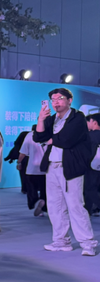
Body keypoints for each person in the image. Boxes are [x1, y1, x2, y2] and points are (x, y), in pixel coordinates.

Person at [34, 88, 97, 256]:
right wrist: (41, 119)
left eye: (60, 98)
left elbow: (67, 140)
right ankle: (61, 241)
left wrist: (51, 139)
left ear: (69, 100)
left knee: (75, 206)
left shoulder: (78, 117)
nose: (56, 102)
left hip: (70, 167)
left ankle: (88, 243)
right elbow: (38, 137)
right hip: (52, 166)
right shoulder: (51, 119)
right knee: (55, 207)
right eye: (53, 99)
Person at [19, 125, 48, 217]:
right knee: (45, 190)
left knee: (31, 189)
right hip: (46, 168)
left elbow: (23, 152)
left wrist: (19, 162)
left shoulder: (30, 135)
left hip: (32, 167)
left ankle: (35, 202)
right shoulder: (49, 133)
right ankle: (43, 208)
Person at [4, 129, 30, 194]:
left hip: (23, 161)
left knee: (23, 175)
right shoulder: (30, 141)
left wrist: (18, 162)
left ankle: (25, 189)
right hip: (30, 161)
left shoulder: (20, 143)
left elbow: (16, 152)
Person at [84, 112, 100, 216]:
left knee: (89, 189)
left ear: (94, 122)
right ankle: (87, 212)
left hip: (91, 166)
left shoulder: (90, 136)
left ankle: (87, 212)